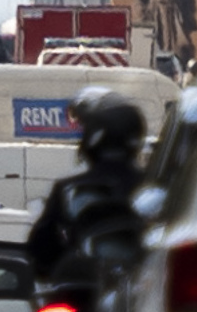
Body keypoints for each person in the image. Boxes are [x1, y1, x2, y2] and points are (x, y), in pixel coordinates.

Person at [24, 92, 150, 287]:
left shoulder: (70, 190)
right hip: (141, 287)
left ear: (95, 137)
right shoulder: (154, 187)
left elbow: (40, 249)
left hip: (85, 285)